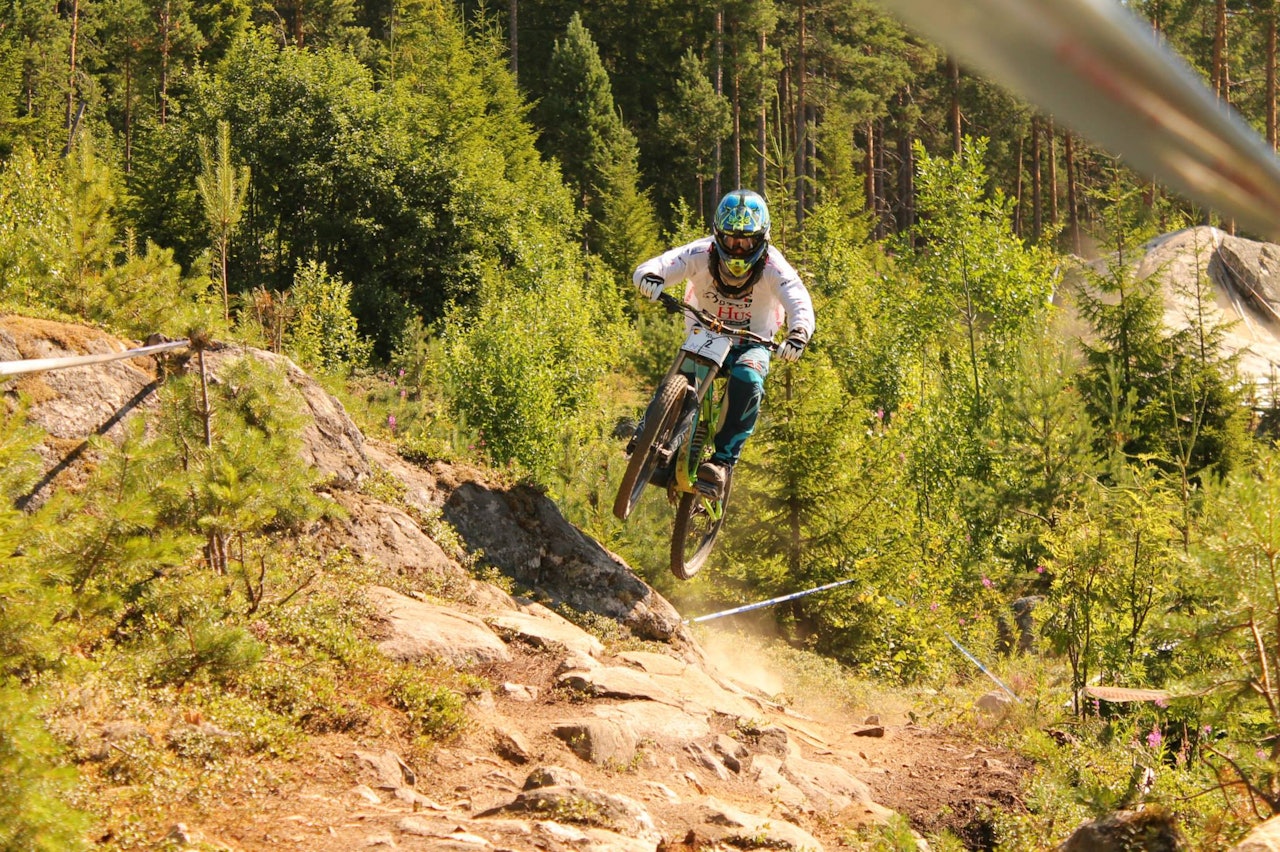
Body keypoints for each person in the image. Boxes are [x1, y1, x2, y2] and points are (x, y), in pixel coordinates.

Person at [631, 189, 815, 498]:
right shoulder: (700, 253)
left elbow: (798, 299)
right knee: (682, 379)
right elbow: (661, 264)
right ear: (718, 235)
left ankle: (721, 463)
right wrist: (649, 277)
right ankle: (649, 434)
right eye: (731, 240)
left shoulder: (774, 266)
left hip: (753, 342)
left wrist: (798, 333)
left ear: (762, 240)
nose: (739, 249)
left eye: (747, 241)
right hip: (705, 335)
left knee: (748, 379)